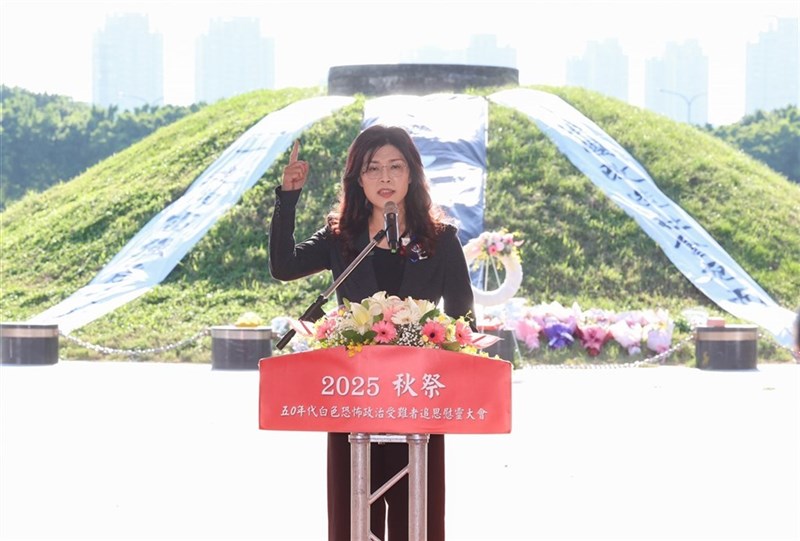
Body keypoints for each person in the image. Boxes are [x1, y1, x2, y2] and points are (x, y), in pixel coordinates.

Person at [269, 125, 475, 540]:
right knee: (351, 517)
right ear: (357, 180)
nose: (385, 178)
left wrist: (450, 353)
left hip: (416, 400)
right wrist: (288, 199)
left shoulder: (441, 240)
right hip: (353, 399)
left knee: (416, 517)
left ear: (412, 175)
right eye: (373, 168)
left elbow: (463, 320)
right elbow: (283, 266)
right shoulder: (341, 239)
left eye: (395, 166)